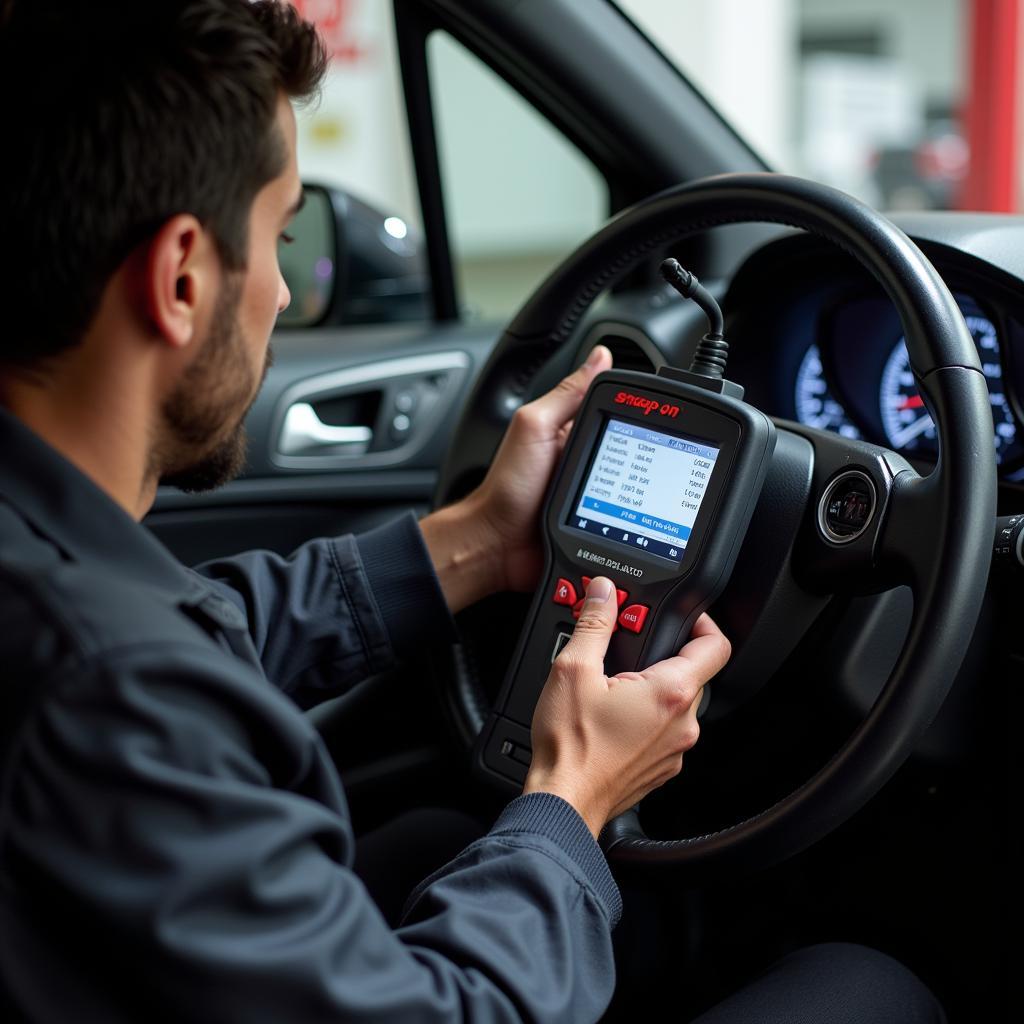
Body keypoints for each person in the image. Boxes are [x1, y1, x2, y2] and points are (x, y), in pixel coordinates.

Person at [0, 2, 946, 1021]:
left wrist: (479, 540)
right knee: (870, 987)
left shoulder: (58, 577)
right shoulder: (110, 694)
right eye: (282, 235)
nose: (282, 292)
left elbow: (200, 631)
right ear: (181, 277)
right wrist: (575, 795)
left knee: (479, 858)